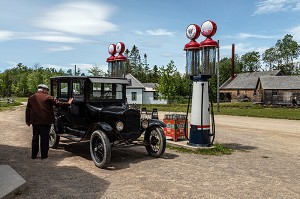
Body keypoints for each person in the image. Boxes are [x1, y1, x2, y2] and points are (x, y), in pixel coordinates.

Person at [25, 84, 73, 159]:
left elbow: (27, 110)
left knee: (35, 138)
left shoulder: (31, 98)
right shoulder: (48, 97)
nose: (47, 92)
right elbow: (58, 103)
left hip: (35, 122)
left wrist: (27, 121)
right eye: (47, 90)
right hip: (45, 122)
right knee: (44, 139)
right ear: (44, 90)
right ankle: (44, 155)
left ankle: (33, 155)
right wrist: (68, 103)